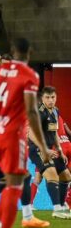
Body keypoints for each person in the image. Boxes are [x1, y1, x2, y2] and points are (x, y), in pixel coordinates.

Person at [0, 38, 51, 228]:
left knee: (13, 181)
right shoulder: (29, 76)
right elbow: (31, 111)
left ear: (12, 51)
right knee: (16, 184)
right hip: (12, 136)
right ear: (30, 52)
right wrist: (44, 147)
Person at [27, 87, 71, 220]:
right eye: (47, 97)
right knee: (52, 175)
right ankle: (57, 209)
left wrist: (60, 150)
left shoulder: (55, 111)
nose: (50, 100)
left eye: (53, 97)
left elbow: (54, 132)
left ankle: (62, 205)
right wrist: (44, 149)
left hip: (51, 148)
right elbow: (31, 133)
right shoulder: (38, 113)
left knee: (66, 176)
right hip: (38, 149)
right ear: (42, 98)